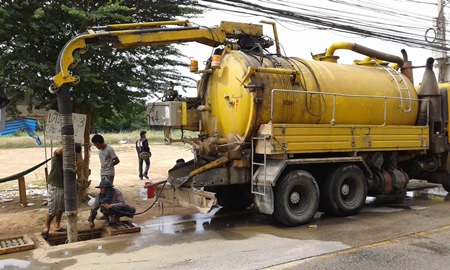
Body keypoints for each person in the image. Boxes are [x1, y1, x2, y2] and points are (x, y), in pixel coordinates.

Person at [41, 144, 81, 239]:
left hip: (66, 185)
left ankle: (57, 225)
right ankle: (46, 227)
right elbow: (59, 150)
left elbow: (78, 165)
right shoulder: (59, 156)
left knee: (62, 208)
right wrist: (69, 143)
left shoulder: (72, 158)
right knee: (53, 208)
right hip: (56, 184)